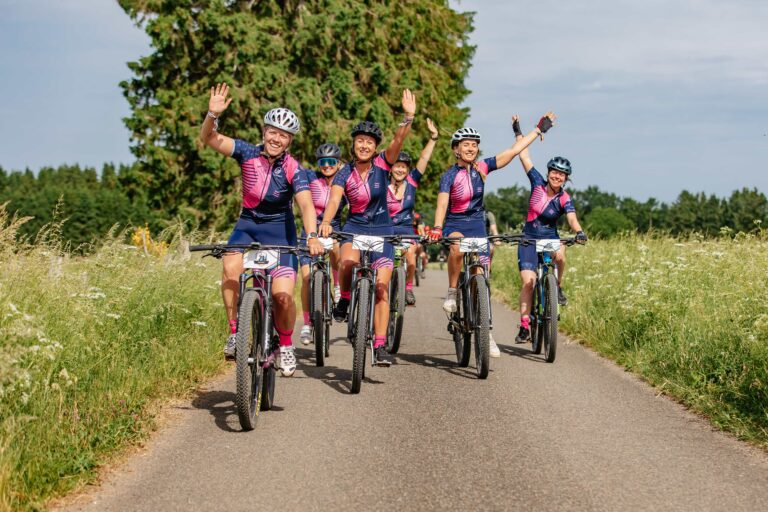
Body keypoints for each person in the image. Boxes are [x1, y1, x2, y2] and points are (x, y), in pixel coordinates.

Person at [199, 83, 323, 376]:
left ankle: (288, 346)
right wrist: (211, 115)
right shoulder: (246, 152)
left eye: (283, 135)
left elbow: (305, 206)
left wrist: (313, 236)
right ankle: (234, 331)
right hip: (248, 227)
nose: (276, 139)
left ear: (290, 140)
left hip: (281, 233)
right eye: (273, 132)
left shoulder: (295, 169)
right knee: (230, 270)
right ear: (264, 131)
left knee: (282, 297)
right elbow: (208, 138)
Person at [430, 112, 556, 358]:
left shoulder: (483, 167)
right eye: (466, 144)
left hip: (477, 225)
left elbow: (513, 151)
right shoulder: (449, 175)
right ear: (456, 149)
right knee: (456, 247)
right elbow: (442, 204)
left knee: (482, 279)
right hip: (455, 223)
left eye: (474, 145)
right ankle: (453, 291)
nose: (471, 148)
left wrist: (538, 130)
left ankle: (486, 334)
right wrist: (436, 227)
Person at [319, 89, 417, 366]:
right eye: (360, 141)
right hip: (354, 227)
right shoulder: (344, 172)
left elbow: (398, 141)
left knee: (382, 286)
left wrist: (408, 117)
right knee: (347, 264)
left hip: (383, 229)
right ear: (353, 144)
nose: (364, 146)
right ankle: (346, 298)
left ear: (375, 147)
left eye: (369, 142)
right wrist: (326, 221)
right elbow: (335, 199)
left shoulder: (383, 164)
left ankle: (381, 344)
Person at [510, 115, 587, 344]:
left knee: (561, 254)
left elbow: (572, 219)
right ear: (549, 171)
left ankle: (557, 286)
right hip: (528, 239)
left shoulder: (564, 198)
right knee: (529, 282)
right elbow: (523, 154)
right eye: (554, 171)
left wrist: (579, 232)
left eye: (561, 174)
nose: (557, 176)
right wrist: (517, 130)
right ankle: (525, 325)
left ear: (566, 178)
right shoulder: (536, 183)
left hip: (549, 238)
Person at [387, 118, 439, 305]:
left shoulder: (412, 182)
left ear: (408, 170)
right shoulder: (382, 183)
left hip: (406, 230)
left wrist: (433, 138)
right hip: (385, 229)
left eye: (403, 167)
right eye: (397, 165)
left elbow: (424, 159)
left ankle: (408, 287)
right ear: (390, 167)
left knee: (411, 254)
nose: (400, 169)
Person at [298, 143, 347, 345]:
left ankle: (336, 284)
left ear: (338, 163)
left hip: (333, 228)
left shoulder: (344, 182)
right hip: (310, 230)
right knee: (307, 279)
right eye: (323, 162)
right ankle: (307, 324)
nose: (326, 166)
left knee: (336, 246)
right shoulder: (311, 178)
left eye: (331, 162)